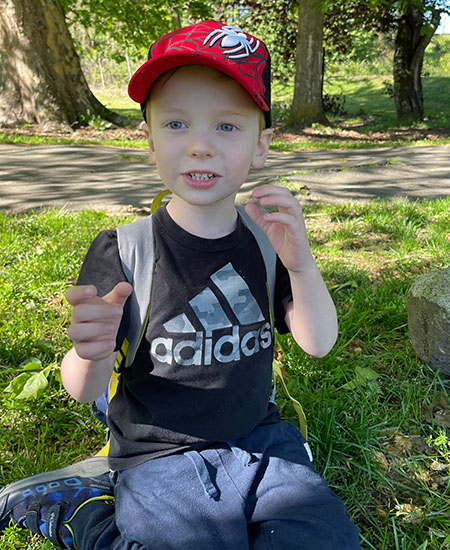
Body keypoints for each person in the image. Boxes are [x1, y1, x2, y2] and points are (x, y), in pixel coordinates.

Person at [0, 20, 360, 550]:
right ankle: (82, 512)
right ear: (148, 141)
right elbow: (85, 389)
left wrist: (303, 267)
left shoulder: (267, 240)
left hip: (260, 441)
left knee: (327, 540)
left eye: (227, 127)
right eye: (176, 124)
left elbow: (318, 342)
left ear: (261, 146)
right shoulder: (125, 249)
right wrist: (89, 350)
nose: (199, 147)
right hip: (159, 454)